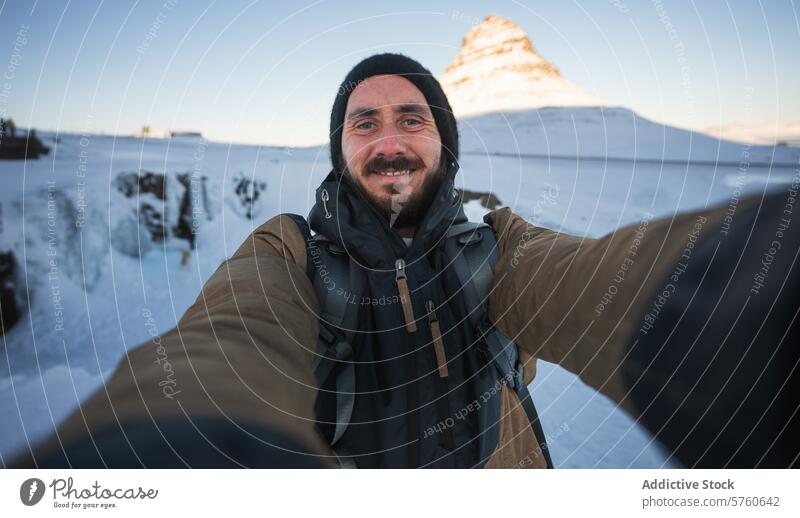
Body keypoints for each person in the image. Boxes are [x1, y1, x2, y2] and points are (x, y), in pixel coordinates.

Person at [15, 54, 798, 469]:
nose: (389, 141)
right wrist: (170, 448)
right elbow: (228, 341)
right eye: (365, 123)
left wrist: (751, 298)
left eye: (411, 118)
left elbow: (598, 286)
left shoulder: (499, 240)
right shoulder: (289, 251)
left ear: (443, 141)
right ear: (341, 148)